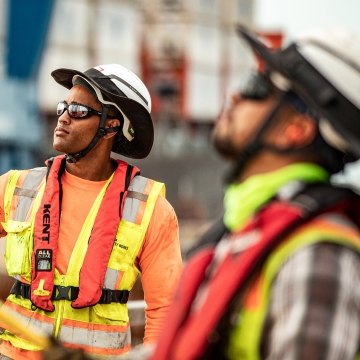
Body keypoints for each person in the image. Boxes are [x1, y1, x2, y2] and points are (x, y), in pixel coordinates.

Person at [150, 25, 360, 360]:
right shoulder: (239, 232)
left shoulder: (317, 255)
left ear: (296, 129)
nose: (234, 95)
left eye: (255, 88)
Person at [0, 63, 182, 359]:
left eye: (79, 111)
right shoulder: (16, 186)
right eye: (63, 107)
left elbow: (164, 312)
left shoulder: (152, 210)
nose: (63, 118)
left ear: (112, 125)